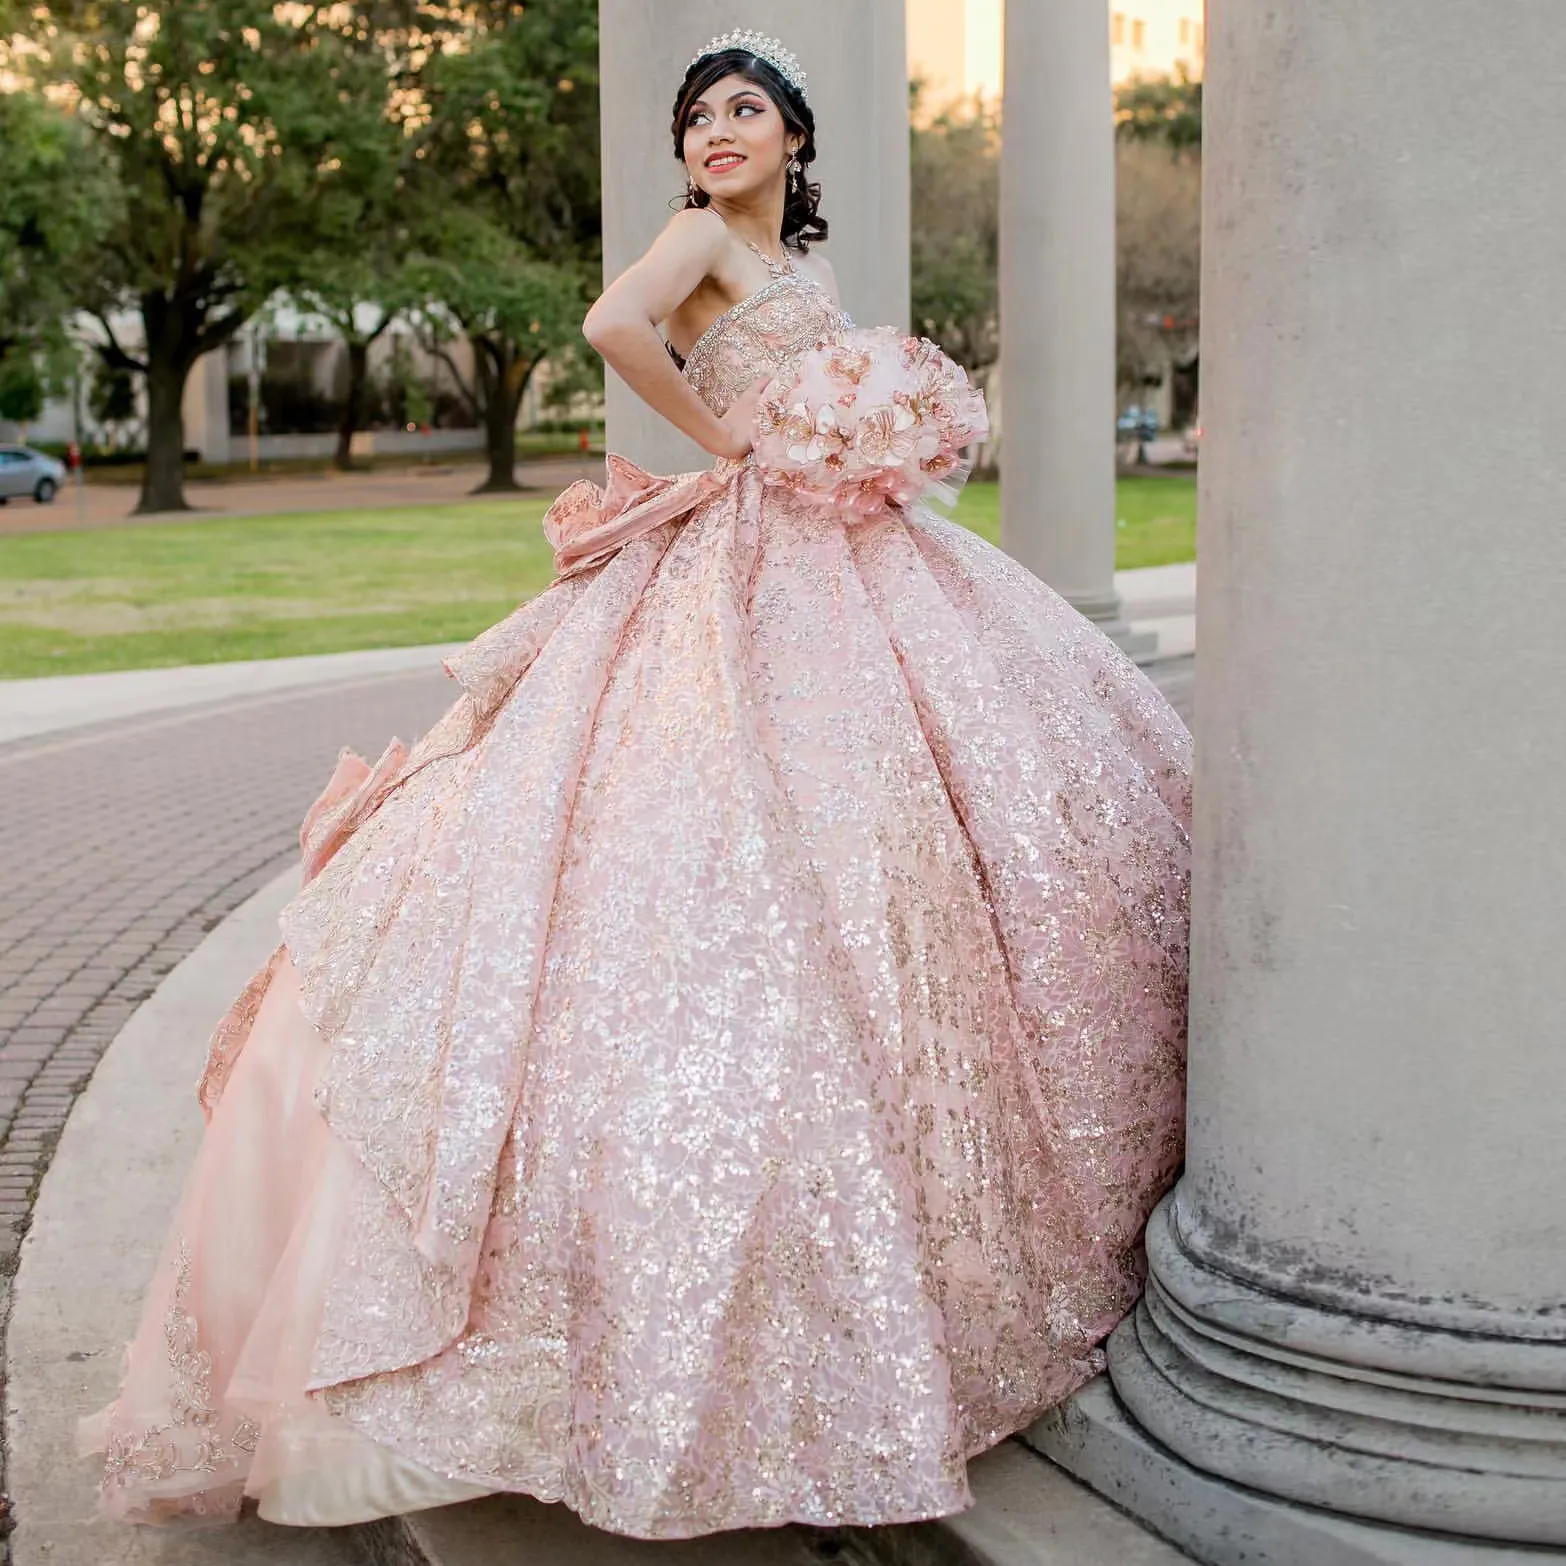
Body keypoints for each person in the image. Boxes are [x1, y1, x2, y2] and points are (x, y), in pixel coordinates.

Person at [81, 32, 1192, 1541]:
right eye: (697, 117)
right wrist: (742, 444)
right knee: (708, 827)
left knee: (935, 810)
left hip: (848, 558)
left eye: (744, 111)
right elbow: (615, 323)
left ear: (796, 140)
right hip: (752, 555)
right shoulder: (690, 243)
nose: (716, 132)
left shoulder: (779, 266)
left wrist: (859, 446)